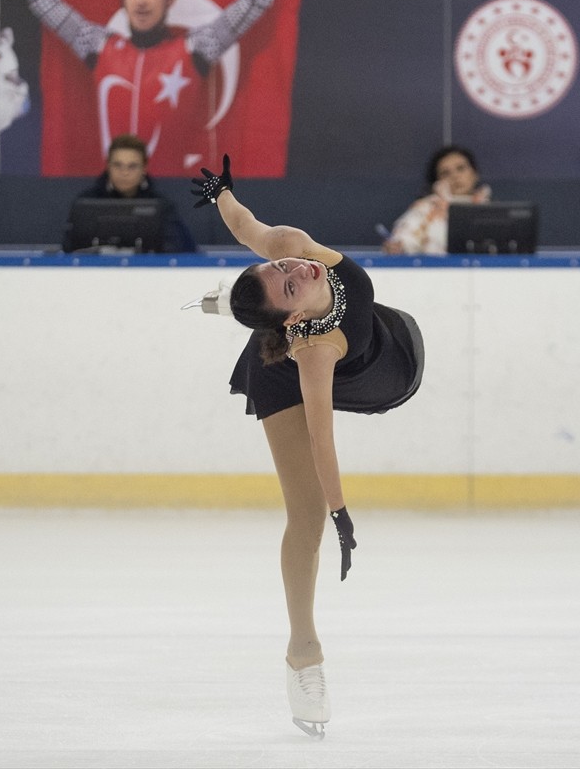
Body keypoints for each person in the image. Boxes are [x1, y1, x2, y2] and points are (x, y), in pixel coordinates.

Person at [191, 154, 424, 738]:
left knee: (271, 275)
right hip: (294, 373)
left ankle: (236, 304)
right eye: (291, 281)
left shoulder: (297, 248)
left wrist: (221, 193)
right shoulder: (312, 351)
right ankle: (304, 652)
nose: (302, 269)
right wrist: (340, 512)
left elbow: (251, 229)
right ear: (294, 314)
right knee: (306, 515)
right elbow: (323, 438)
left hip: (385, 357)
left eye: (287, 268)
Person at [28, 0, 276, 174]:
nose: (141, 1)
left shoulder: (194, 49)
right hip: (112, 193)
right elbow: (43, 1)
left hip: (172, 194)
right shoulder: (99, 46)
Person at [68, 133, 196, 252]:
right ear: (107, 166)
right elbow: (68, 248)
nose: (124, 173)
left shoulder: (161, 206)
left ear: (144, 168)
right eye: (118, 165)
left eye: (132, 166)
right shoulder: (86, 203)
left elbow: (184, 249)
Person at [382, 145, 491, 255]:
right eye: (446, 173)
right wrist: (396, 247)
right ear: (437, 181)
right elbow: (403, 242)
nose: (455, 176)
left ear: (475, 174)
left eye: (460, 168)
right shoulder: (425, 209)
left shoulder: (490, 210)